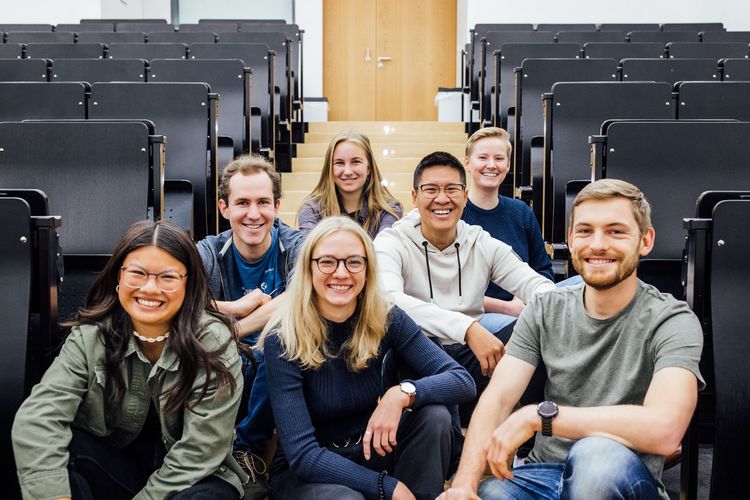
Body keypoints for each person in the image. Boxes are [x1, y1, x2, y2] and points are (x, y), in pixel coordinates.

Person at [439, 179, 705, 500]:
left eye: (616, 231)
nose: (597, 244)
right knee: (487, 493)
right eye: (585, 231)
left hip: (618, 474)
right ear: (570, 238)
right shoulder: (545, 307)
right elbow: (497, 401)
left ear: (645, 240)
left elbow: (664, 430)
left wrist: (541, 417)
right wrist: (463, 486)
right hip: (544, 473)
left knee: (595, 456)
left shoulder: (672, 319)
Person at [12, 220, 246, 500]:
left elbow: (200, 452)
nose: (149, 288)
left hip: (193, 479)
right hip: (117, 472)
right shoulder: (91, 337)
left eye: (167, 277)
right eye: (137, 273)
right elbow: (38, 418)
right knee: (61, 449)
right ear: (118, 278)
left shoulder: (213, 343)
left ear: (189, 283)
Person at [260, 216, 476, 500]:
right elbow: (304, 455)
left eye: (353, 262)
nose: (341, 273)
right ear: (309, 268)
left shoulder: (386, 318)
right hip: (308, 474)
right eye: (327, 261)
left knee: (434, 417)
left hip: (370, 449)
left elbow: (462, 381)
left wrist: (401, 394)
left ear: (367, 270)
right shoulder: (283, 338)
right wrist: (389, 486)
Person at [373, 151, 556, 419]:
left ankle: (530, 441)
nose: (442, 198)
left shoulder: (481, 242)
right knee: (410, 350)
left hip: (478, 362)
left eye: (452, 189)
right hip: (420, 357)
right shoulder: (392, 242)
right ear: (414, 197)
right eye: (431, 189)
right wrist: (468, 328)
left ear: (465, 195)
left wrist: (526, 330)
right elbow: (389, 300)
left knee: (541, 326)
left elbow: (541, 288)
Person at [196, 154, 304, 496]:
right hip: (223, 364)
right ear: (224, 208)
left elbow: (304, 296)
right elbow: (177, 304)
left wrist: (234, 328)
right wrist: (235, 306)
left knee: (278, 342)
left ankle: (248, 452)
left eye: (263, 202)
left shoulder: (297, 245)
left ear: (277, 206)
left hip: (285, 369)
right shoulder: (209, 252)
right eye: (242, 203)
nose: (254, 214)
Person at [461, 127, 554, 322]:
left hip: (525, 305)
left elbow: (543, 269)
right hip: (480, 316)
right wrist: (507, 308)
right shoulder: (455, 213)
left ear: (508, 165)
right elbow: (449, 291)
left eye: (499, 158)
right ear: (467, 163)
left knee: (583, 286)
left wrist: (523, 297)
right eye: (483, 157)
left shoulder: (520, 211)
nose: (491, 165)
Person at [297, 131, 403, 239]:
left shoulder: (389, 209)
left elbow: (384, 251)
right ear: (329, 169)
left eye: (356, 162)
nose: (347, 171)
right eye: (339, 163)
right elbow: (309, 252)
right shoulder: (312, 210)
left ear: (369, 168)